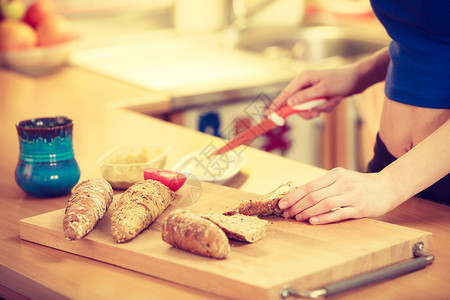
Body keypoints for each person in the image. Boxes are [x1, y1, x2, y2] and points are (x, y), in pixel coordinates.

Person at [265, 0, 450, 225]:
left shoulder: (388, 185)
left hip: (397, 182)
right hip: (389, 167)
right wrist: (358, 75)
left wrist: (390, 184)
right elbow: (423, 36)